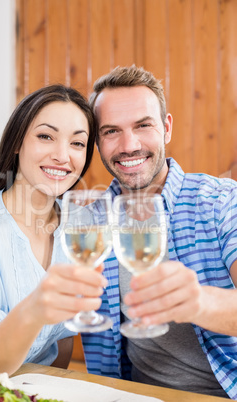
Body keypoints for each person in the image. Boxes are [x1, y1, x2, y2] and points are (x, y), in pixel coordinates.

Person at [81, 65, 237, 399]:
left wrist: (198, 302)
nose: (129, 145)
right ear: (97, 142)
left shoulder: (222, 201)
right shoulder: (89, 221)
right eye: (111, 131)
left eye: (143, 125)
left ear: (166, 128)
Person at [0, 84, 107, 384]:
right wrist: (36, 307)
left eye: (77, 143)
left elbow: (60, 343)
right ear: (17, 141)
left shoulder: (78, 226)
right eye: (46, 136)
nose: (62, 156)